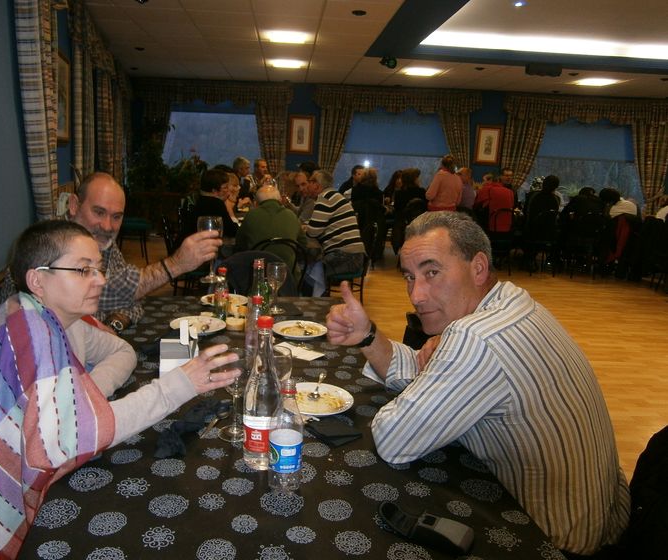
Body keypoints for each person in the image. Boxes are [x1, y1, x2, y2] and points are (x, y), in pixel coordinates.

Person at [0, 220, 239, 559]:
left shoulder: (35, 315)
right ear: (37, 280)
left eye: (99, 269)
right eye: (83, 270)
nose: (100, 280)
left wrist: (85, 400)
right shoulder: (31, 332)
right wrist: (179, 384)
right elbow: (73, 440)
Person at [324, 211, 630, 557]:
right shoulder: (512, 303)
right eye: (410, 277)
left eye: (432, 272)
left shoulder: (476, 336)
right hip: (607, 517)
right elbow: (427, 376)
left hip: (553, 542)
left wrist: (433, 373)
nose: (416, 295)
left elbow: (394, 440)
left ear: (479, 267)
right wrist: (367, 335)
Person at [0, 172, 221, 332]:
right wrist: (177, 264)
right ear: (74, 205)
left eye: (116, 217)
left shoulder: (100, 243)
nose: (107, 226)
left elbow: (132, 300)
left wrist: (114, 324)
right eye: (98, 212)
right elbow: (115, 290)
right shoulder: (45, 245)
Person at [305, 170, 365, 279]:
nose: (308, 185)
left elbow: (312, 232)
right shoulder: (334, 195)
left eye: (310, 181)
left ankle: (314, 292)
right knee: (309, 266)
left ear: (317, 185)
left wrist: (304, 228)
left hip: (346, 257)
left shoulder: (325, 198)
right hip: (354, 256)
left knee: (306, 270)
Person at [234, 183, 307, 272]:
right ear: (280, 200)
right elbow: (303, 244)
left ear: (256, 202)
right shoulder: (291, 215)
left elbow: (239, 244)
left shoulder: (251, 216)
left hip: (257, 273)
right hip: (288, 274)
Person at [190, 168, 239, 239]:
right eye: (225, 187)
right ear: (214, 191)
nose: (228, 191)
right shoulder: (215, 203)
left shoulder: (199, 200)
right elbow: (231, 231)